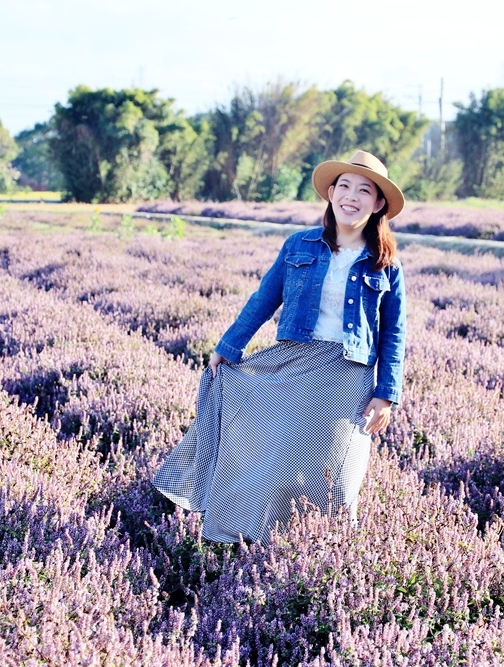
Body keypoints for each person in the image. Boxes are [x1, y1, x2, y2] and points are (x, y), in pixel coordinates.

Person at [152, 150, 407, 545]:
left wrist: (386, 394)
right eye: (344, 186)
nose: (351, 196)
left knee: (337, 478)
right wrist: (229, 345)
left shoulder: (385, 264)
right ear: (332, 194)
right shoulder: (298, 245)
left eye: (364, 190)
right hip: (295, 362)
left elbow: (394, 333)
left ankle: (328, 553)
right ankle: (251, 542)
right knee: (274, 464)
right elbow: (263, 299)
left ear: (378, 204)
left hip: (348, 377)